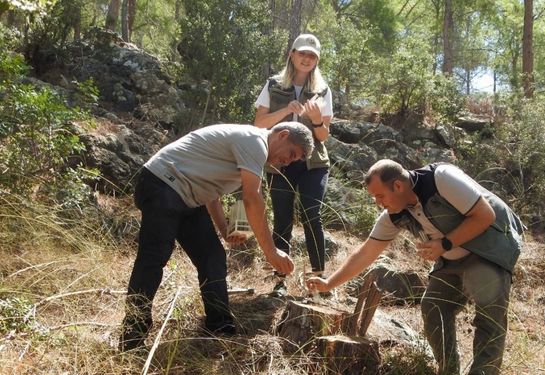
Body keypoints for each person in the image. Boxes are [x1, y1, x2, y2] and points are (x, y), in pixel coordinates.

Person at [307, 159, 524, 375]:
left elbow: (485, 216)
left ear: (398, 186)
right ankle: (448, 370)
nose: (377, 203)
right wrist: (328, 283)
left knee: (489, 321)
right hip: (451, 257)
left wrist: (444, 244)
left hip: (491, 247)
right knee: (433, 307)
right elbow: (366, 252)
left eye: (380, 196)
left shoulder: (442, 179)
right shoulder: (393, 214)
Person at [119, 122, 314, 351]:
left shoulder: (252, 153)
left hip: (188, 197)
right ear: (282, 135)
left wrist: (224, 229)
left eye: (294, 160)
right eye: (291, 154)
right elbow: (253, 199)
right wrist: (270, 252)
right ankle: (133, 334)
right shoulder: (255, 141)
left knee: (212, 256)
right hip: (162, 183)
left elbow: (212, 194)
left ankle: (219, 328)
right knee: (154, 256)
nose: (288, 162)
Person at [254, 33, 333, 296]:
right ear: (292, 54)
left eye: (312, 55)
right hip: (280, 161)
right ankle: (280, 280)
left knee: (312, 214)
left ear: (317, 60)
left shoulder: (323, 90)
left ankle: (320, 280)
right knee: (283, 217)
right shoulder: (273, 85)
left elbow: (323, 137)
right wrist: (285, 111)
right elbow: (259, 124)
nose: (306, 59)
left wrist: (316, 119)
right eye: (302, 53)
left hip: (314, 163)